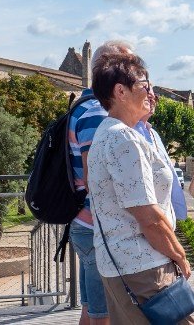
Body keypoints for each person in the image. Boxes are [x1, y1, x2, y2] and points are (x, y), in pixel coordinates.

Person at [87, 53, 194, 324]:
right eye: (145, 85)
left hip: (120, 265)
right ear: (120, 91)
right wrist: (180, 256)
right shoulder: (124, 138)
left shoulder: (107, 132)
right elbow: (148, 215)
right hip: (143, 267)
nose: (151, 92)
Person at [68, 39, 133, 325]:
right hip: (98, 230)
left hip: (85, 224)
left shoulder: (83, 104)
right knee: (103, 317)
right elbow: (97, 178)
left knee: (91, 312)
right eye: (129, 65)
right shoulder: (96, 112)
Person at [135, 92, 188, 221]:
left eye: (155, 97)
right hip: (149, 222)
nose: (152, 100)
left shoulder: (153, 133)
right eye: (147, 95)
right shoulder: (130, 133)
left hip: (165, 218)